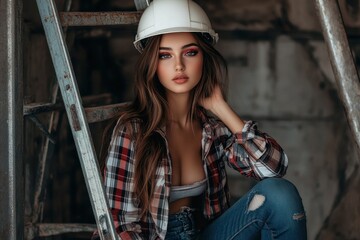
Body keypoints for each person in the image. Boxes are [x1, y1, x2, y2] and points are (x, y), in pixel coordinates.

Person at [99, 0, 307, 239]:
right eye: (165, 56)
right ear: (152, 65)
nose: (178, 65)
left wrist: (221, 108)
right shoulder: (132, 131)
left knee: (279, 194)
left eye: (190, 52)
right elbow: (120, 225)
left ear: (203, 58)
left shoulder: (212, 130)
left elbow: (275, 168)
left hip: (207, 234)